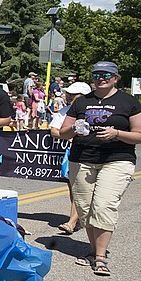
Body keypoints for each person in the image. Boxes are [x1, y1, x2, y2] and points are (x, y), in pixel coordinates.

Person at [58, 61, 141, 277]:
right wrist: (74, 129)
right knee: (85, 208)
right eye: (97, 74)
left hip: (117, 159)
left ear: (116, 78)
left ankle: (100, 257)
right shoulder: (81, 103)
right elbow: (63, 133)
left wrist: (117, 133)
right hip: (82, 159)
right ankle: (92, 250)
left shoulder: (128, 102)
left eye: (106, 75)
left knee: (103, 205)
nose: (101, 78)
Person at [50, 80, 92, 235]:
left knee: (80, 187)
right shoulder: (65, 111)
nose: (69, 97)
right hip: (71, 153)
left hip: (91, 154)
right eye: (69, 94)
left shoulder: (94, 111)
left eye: (73, 95)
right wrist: (67, 136)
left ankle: (72, 222)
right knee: (73, 187)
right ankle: (78, 218)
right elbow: (54, 130)